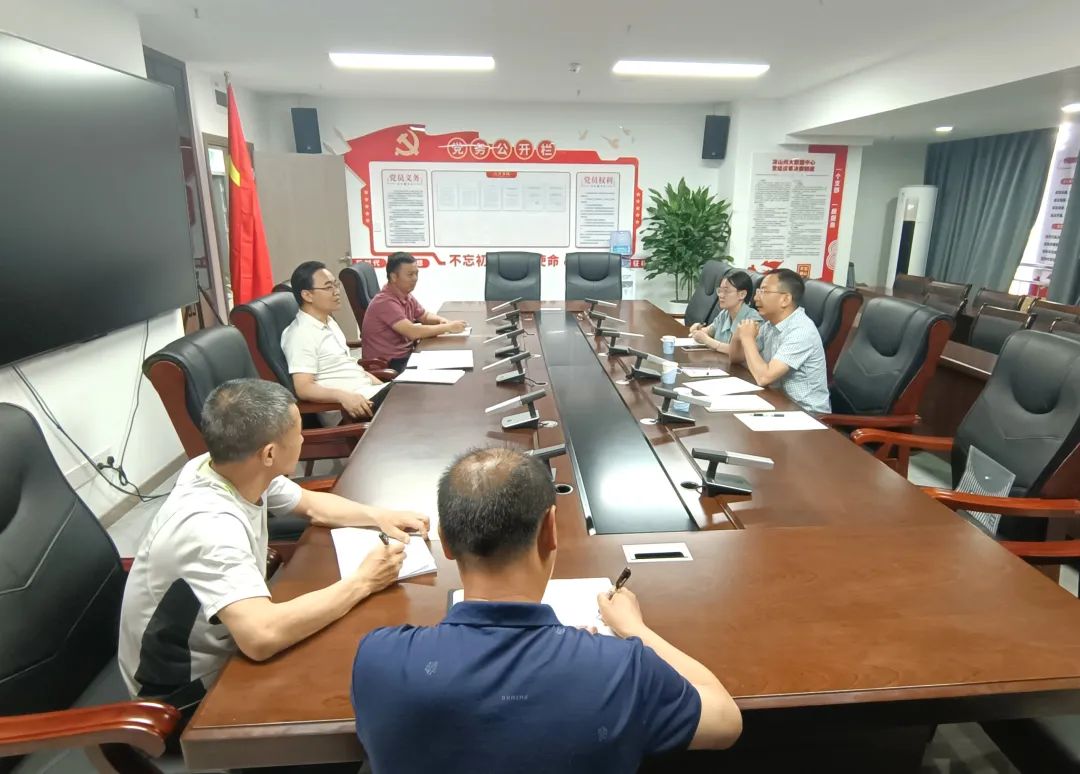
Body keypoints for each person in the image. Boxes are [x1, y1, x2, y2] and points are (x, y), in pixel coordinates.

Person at [350, 447, 742, 774]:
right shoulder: (623, 668)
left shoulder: (377, 658)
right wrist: (635, 630)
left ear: (446, 543)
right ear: (551, 530)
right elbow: (726, 720)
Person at [119, 378, 428, 713]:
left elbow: (313, 505)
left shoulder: (226, 467)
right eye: (298, 432)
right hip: (182, 692)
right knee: (362, 685)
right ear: (269, 453)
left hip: (230, 640)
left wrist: (379, 516)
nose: (302, 438)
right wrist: (363, 581)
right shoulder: (209, 527)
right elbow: (261, 637)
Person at [281, 261, 386, 425]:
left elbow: (347, 365)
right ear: (307, 295)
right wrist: (342, 396)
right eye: (328, 287)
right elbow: (303, 388)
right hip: (348, 410)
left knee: (413, 387)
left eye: (336, 285)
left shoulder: (328, 321)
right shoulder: (301, 334)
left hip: (367, 394)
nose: (336, 291)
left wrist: (385, 386)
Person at [728, 268, 831, 413]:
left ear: (785, 299)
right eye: (758, 291)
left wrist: (747, 338)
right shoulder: (770, 325)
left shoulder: (801, 331)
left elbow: (763, 377)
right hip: (777, 402)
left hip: (806, 414)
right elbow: (735, 358)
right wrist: (738, 334)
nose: (756, 298)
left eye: (764, 291)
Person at [361, 252, 467, 371]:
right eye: (410, 275)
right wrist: (448, 327)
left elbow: (424, 315)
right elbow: (412, 332)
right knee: (442, 369)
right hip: (389, 363)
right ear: (394, 277)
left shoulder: (405, 295)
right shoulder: (385, 302)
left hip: (404, 355)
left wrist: (442, 320)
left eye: (416, 273)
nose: (415, 278)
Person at [688, 270, 762, 354]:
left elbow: (742, 353)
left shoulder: (753, 321)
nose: (721, 295)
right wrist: (698, 330)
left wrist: (707, 340)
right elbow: (710, 330)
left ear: (742, 294)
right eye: (720, 290)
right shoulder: (724, 314)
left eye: (726, 291)